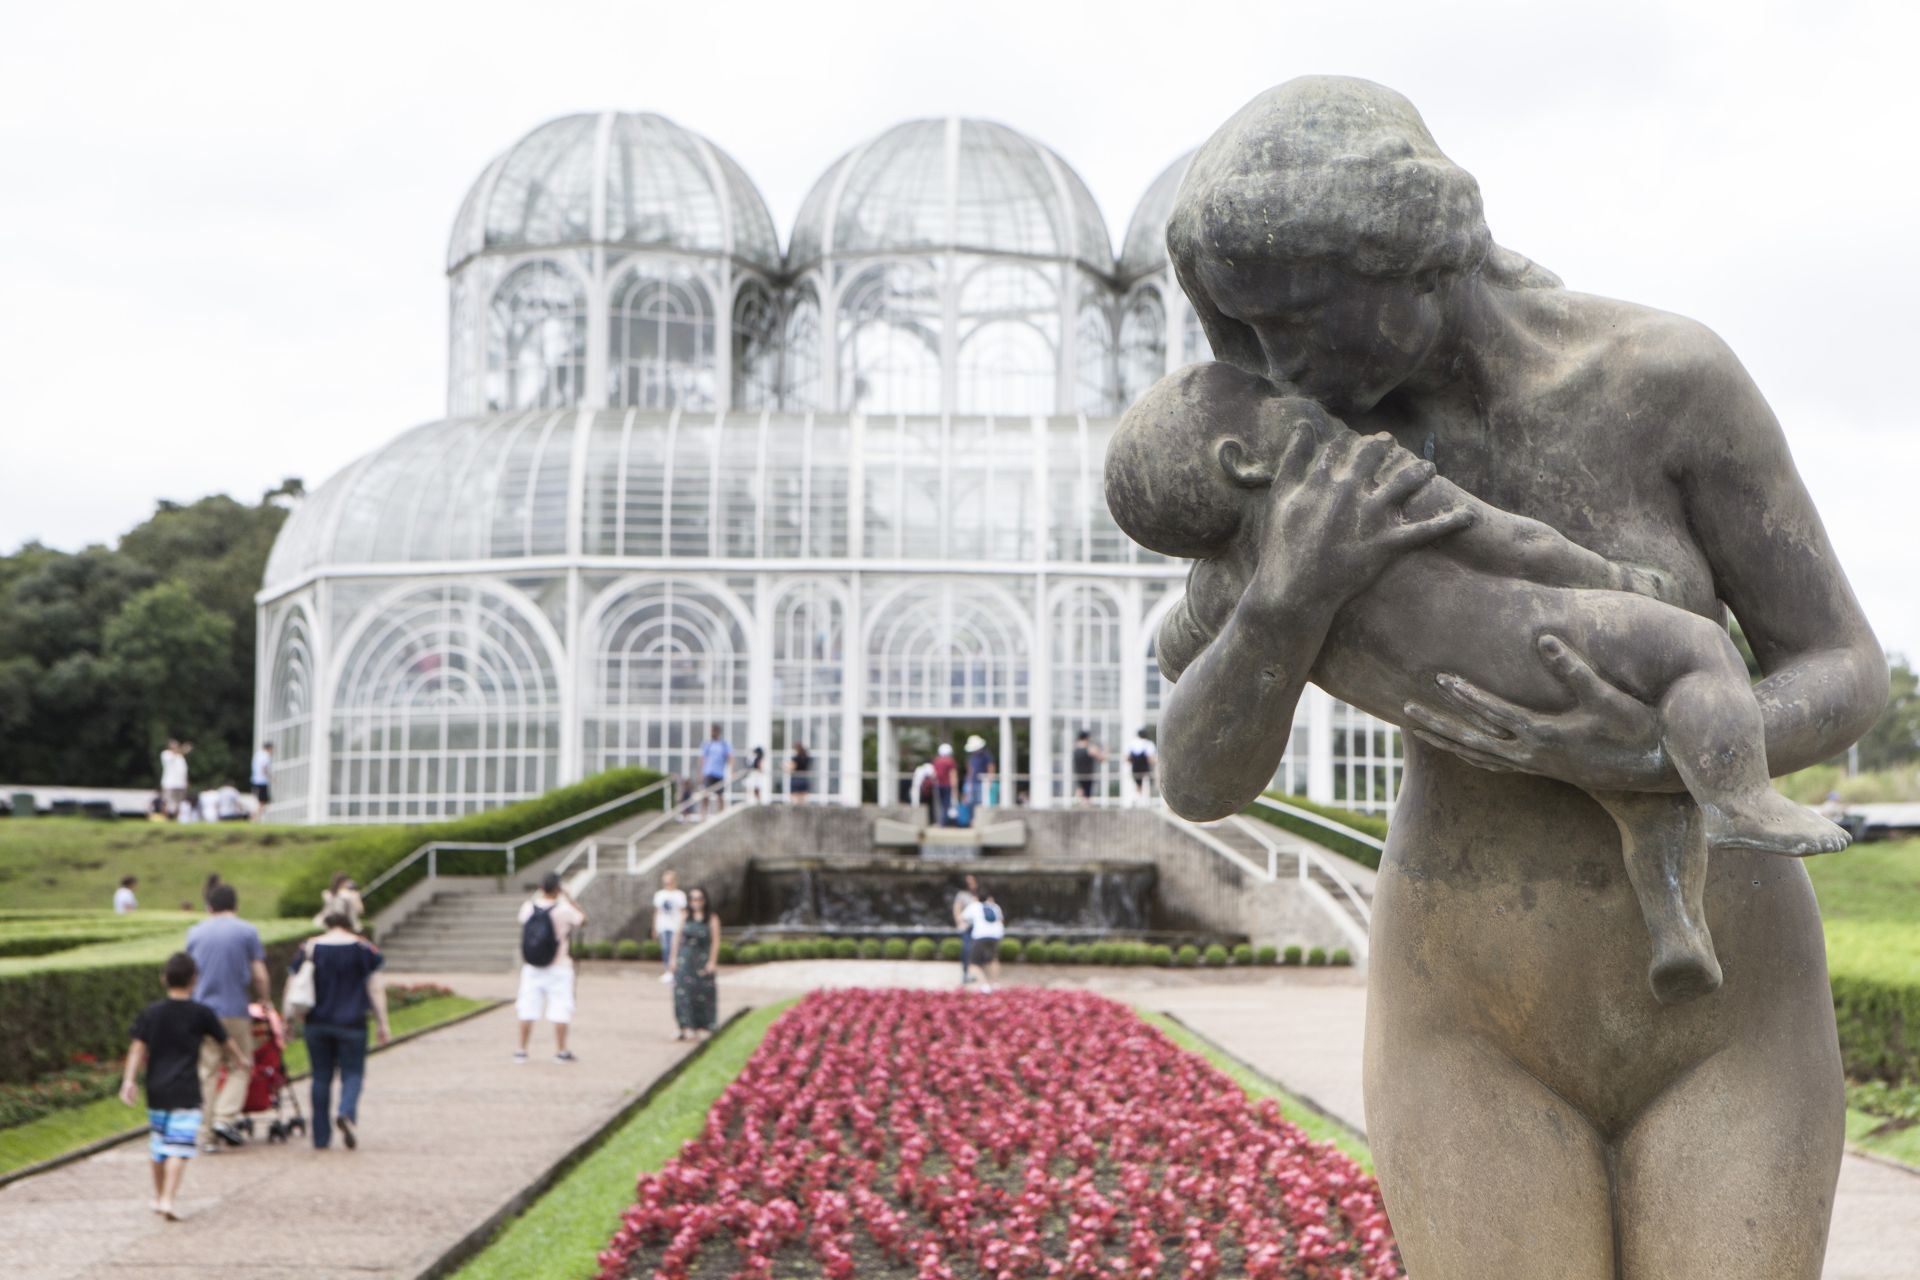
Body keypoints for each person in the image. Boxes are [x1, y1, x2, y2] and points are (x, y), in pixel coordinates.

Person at [1151, 76, 1889, 1276]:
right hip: (1469, 1018)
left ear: (1412, 259)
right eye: (1250, 329)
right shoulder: (1305, 464)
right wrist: (1287, 597)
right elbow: (1195, 773)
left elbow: (1848, 667)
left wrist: (1669, 755)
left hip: (1726, 1008)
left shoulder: (1665, 381)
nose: (1276, 359)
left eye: (1301, 315)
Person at [1121, 361, 1849, 1000]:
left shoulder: (1225, 592)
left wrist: (1256, 609)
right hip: (1533, 640)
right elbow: (1513, 540)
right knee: (1698, 652)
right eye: (1259, 391)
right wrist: (1617, 579)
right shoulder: (1368, 481)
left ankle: (1677, 931)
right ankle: (1736, 797)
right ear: (1243, 459)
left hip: (1457, 708)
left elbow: (1178, 650)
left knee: (1637, 796)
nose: (1283, 384)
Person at [118, 951, 247, 1220]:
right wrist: (241, 1059)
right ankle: (168, 1198)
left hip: (157, 1089)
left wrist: (129, 1080)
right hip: (186, 1088)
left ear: (164, 979)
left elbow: (136, 1049)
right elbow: (225, 1040)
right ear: (194, 980)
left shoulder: (152, 1013)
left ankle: (157, 1195)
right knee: (180, 1147)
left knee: (159, 1146)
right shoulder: (201, 1013)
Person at [289, 912, 390, 1150]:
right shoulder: (364, 949)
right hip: (353, 1022)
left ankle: (321, 1137)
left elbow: (293, 985)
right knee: (353, 1074)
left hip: (317, 1022)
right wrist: (383, 1022)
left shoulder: (310, 948)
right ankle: (346, 1111)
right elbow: (375, 988)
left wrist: (288, 1020)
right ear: (350, 926)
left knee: (320, 1077)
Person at [184, 883, 270, 1149]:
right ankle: (224, 1116)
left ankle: (206, 1133)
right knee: (241, 1065)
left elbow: (189, 974)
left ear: (209, 907)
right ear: (235, 905)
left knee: (207, 1071)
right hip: (234, 1009)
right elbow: (259, 973)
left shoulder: (195, 933)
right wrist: (265, 1000)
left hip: (202, 1011)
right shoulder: (247, 931)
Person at [515, 873, 585, 1063]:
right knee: (561, 1007)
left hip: (532, 966)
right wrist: (569, 897)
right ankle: (561, 1050)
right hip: (559, 966)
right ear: (558, 889)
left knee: (527, 1007)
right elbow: (582, 919)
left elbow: (522, 921)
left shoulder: (529, 907)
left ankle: (521, 1050)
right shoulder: (563, 909)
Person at [669, 886, 720, 1040]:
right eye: (692, 899)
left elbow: (715, 941)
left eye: (699, 899)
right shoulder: (685, 916)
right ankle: (686, 1025)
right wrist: (673, 958)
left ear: (705, 900)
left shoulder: (712, 918)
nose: (696, 902)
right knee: (683, 992)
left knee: (703, 992)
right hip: (686, 958)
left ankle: (705, 1025)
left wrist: (712, 961)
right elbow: (677, 938)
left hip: (702, 958)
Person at [961, 891, 1005, 993]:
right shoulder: (995, 906)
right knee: (993, 959)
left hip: (980, 936)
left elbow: (963, 917)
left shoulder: (974, 905)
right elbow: (1001, 921)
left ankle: (984, 986)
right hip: (996, 936)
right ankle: (995, 984)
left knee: (973, 963)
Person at [651, 870, 687, 986]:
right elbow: (657, 912)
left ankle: (677, 972)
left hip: (676, 926)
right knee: (666, 949)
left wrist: (683, 926)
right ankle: (668, 971)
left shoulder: (680, 895)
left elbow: (683, 911)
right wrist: (655, 928)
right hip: (663, 926)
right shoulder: (659, 894)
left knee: (676, 949)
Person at [698, 724, 733, 818]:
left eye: (713, 731)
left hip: (719, 774)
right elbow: (702, 759)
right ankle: (703, 816)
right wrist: (701, 774)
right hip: (708, 773)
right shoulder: (707, 744)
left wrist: (731, 770)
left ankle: (721, 816)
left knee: (720, 796)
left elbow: (730, 758)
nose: (712, 733)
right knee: (705, 795)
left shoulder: (724, 745)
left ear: (717, 732)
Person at [952, 874, 979, 986]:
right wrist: (960, 922)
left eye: (973, 881)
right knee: (967, 949)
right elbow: (956, 909)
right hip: (967, 927)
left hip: (978, 927)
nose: (972, 883)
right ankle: (965, 973)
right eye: (970, 881)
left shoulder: (977, 895)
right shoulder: (962, 895)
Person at [1070, 731, 1105, 806]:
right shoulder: (1090, 749)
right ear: (1086, 738)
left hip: (1078, 775)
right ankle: (1083, 804)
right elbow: (1101, 758)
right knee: (1086, 796)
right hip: (1087, 775)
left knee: (1082, 792)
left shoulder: (1075, 748)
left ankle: (1079, 801)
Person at [964, 734, 996, 815]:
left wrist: (990, 781)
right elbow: (970, 770)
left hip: (982, 783)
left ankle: (979, 817)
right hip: (973, 782)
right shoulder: (971, 757)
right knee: (971, 802)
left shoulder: (987, 755)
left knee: (981, 801)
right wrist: (968, 782)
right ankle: (972, 818)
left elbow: (991, 768)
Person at [159, 739, 190, 820]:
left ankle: (176, 818)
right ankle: (165, 817)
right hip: (169, 783)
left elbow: (184, 770)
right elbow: (174, 755)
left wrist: (186, 781)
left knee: (179, 802)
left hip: (180, 783)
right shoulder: (165, 754)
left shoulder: (180, 757)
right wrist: (184, 749)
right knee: (166, 801)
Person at [930, 744, 957, 826]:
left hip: (937, 785)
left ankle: (939, 821)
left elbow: (933, 774)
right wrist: (955, 788)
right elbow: (953, 775)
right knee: (946, 804)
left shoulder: (936, 761)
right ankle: (944, 822)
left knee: (939, 804)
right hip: (947, 786)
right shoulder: (950, 761)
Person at [249, 742, 273, 820]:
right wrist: (271, 778)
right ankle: (254, 817)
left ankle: (254, 817)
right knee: (262, 801)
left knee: (257, 801)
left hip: (254, 780)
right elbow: (264, 768)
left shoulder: (257, 754)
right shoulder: (266, 756)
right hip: (262, 781)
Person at [910, 758, 937, 826]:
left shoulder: (919, 769)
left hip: (920, 790)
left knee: (922, 805)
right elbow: (934, 778)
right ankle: (930, 821)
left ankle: (922, 820)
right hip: (930, 791)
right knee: (930, 806)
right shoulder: (932, 768)